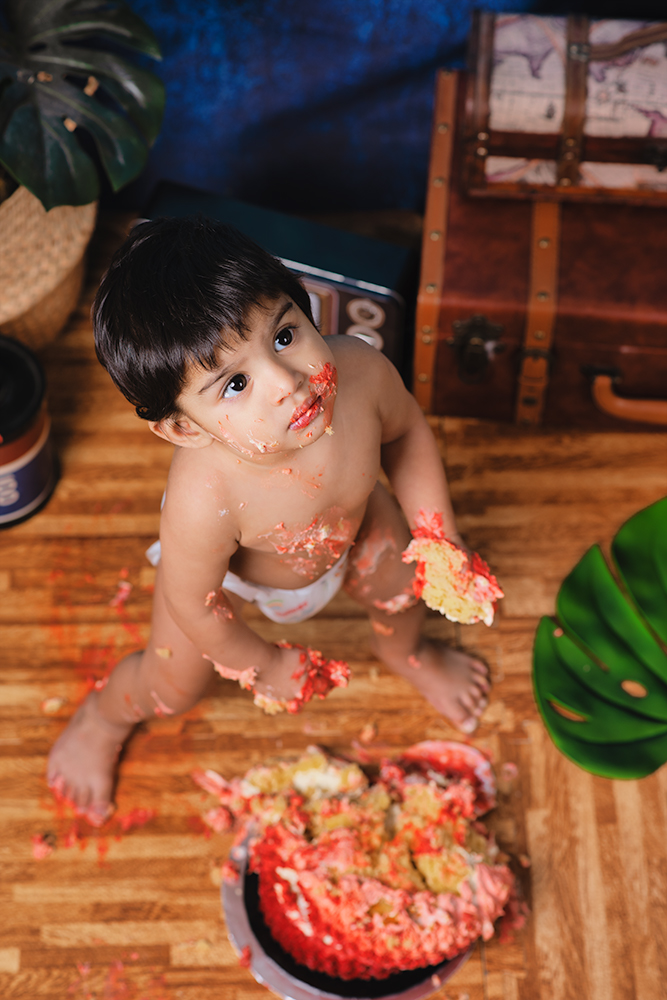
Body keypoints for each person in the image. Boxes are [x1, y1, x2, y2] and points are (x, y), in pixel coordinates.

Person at [47, 216, 489, 826]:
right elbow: (196, 602)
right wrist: (263, 664)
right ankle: (105, 717)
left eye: (283, 336)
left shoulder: (358, 374)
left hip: (354, 525)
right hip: (228, 582)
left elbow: (407, 433)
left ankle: (407, 654)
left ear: (304, 307)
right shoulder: (205, 495)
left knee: (402, 583)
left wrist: (438, 534)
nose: (286, 384)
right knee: (173, 686)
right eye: (234, 384)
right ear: (183, 427)